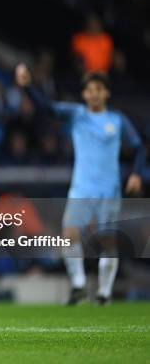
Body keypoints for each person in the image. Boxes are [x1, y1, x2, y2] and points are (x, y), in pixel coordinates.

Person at [15, 64, 145, 305]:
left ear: (106, 93)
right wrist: (27, 87)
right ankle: (78, 285)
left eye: (99, 89)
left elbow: (137, 147)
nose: (94, 93)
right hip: (82, 187)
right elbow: (47, 108)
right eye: (89, 89)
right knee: (70, 234)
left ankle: (104, 292)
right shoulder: (77, 114)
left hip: (109, 189)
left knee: (107, 241)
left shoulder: (117, 121)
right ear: (84, 94)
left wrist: (136, 174)